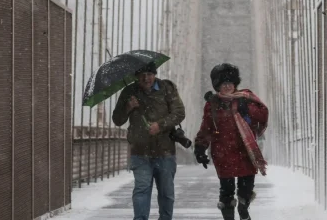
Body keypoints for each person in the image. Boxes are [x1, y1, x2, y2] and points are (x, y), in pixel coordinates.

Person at [194, 63, 269, 220]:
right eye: (223, 84)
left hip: (245, 151)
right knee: (226, 190)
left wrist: (247, 109)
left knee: (246, 188)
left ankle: (243, 209)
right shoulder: (212, 104)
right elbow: (206, 127)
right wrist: (200, 147)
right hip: (223, 152)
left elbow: (262, 115)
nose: (227, 86)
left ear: (235, 84)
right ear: (217, 86)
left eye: (230, 83)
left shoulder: (246, 98)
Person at [112, 63, 186, 220]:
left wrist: (160, 125)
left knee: (166, 193)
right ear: (136, 77)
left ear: (155, 74)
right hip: (140, 151)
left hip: (165, 150)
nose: (146, 78)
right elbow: (117, 120)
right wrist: (128, 107)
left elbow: (179, 113)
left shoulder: (167, 88)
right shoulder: (129, 91)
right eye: (142, 75)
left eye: (150, 74)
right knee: (141, 190)